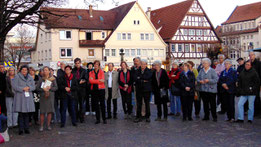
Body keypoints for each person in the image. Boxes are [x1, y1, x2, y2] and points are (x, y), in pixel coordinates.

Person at [12, 65, 35, 135]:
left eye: (25, 70)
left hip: (28, 97)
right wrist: (22, 88)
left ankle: (27, 128)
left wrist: (29, 88)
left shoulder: (30, 77)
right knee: (21, 114)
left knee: (27, 114)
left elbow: (33, 87)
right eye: (23, 70)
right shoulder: (17, 77)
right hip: (20, 97)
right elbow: (14, 86)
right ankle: (21, 129)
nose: (24, 71)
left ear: (27, 70)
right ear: (20, 70)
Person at [36, 66, 58, 131]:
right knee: (42, 112)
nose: (45, 71)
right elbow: (37, 88)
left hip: (50, 96)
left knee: (49, 112)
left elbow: (56, 87)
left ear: (49, 71)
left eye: (46, 70)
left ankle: (48, 125)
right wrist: (43, 89)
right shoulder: (41, 79)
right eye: (44, 70)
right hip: (43, 96)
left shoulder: (53, 79)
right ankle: (41, 125)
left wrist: (50, 88)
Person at [72, 58, 86, 123]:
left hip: (82, 89)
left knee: (81, 104)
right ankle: (76, 117)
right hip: (75, 89)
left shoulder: (84, 70)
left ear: (80, 63)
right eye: (76, 63)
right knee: (75, 104)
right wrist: (78, 81)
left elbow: (86, 79)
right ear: (75, 64)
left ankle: (81, 117)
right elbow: (72, 79)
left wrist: (83, 81)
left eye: (78, 63)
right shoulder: (72, 70)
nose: (77, 64)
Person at [249, 52, 261, 117]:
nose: (251, 56)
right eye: (250, 55)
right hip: (250, 83)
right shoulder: (248, 63)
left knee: (257, 98)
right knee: (251, 98)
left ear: (254, 56)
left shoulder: (259, 63)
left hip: (256, 83)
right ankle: (252, 111)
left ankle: (258, 112)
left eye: (252, 55)